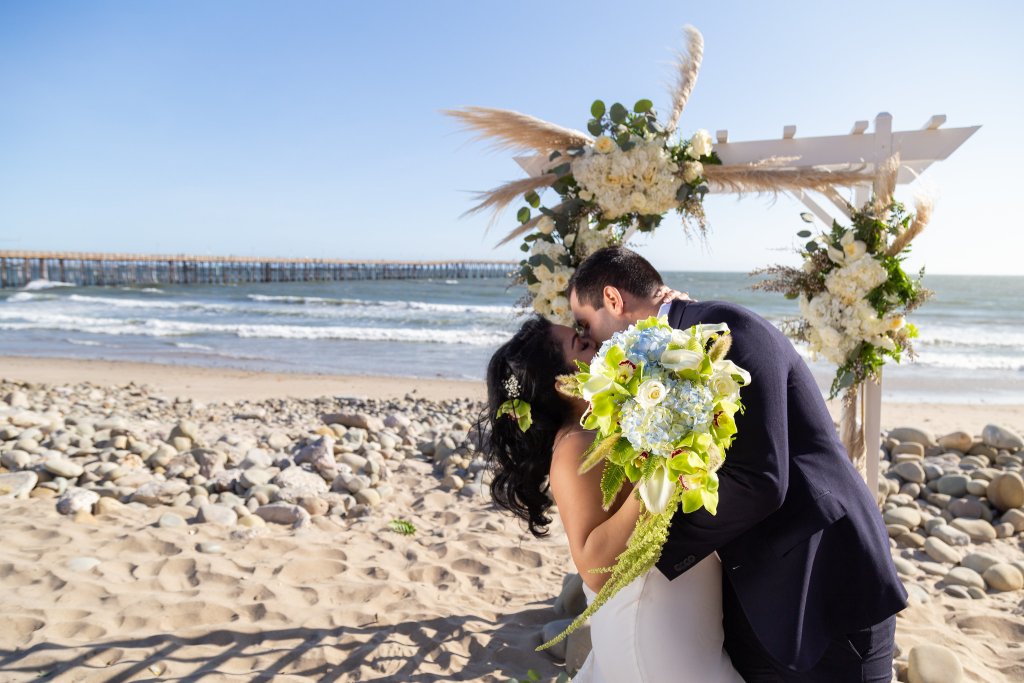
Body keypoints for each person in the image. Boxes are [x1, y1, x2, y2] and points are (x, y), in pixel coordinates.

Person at [567, 246, 908, 683]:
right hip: (758, 593)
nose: (591, 343)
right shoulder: (666, 353)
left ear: (613, 299)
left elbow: (760, 480)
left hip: (822, 583)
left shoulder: (727, 329)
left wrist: (647, 553)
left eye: (586, 325)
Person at [483, 316, 742, 682]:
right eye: (581, 344)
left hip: (673, 608)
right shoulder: (576, 445)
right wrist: (665, 468)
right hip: (651, 621)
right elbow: (592, 567)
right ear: (561, 384)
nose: (595, 341)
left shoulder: (598, 428)